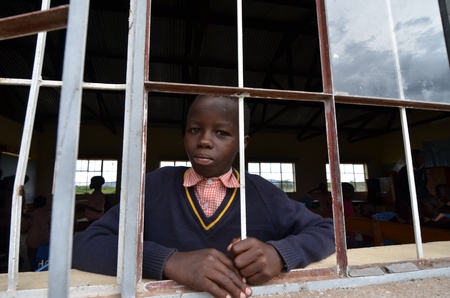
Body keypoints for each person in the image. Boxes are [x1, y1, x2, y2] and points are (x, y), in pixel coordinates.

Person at [72, 95, 335, 297]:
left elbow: (329, 230)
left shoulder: (263, 193)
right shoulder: (155, 185)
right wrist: (167, 261)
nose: (204, 141)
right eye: (195, 130)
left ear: (242, 143)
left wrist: (281, 254)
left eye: (222, 133)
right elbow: (87, 244)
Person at [21, 195, 51, 270]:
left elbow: (23, 228)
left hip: (33, 243)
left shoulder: (31, 215)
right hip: (45, 241)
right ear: (44, 203)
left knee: (32, 259)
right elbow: (51, 226)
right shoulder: (47, 214)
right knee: (43, 259)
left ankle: (34, 271)